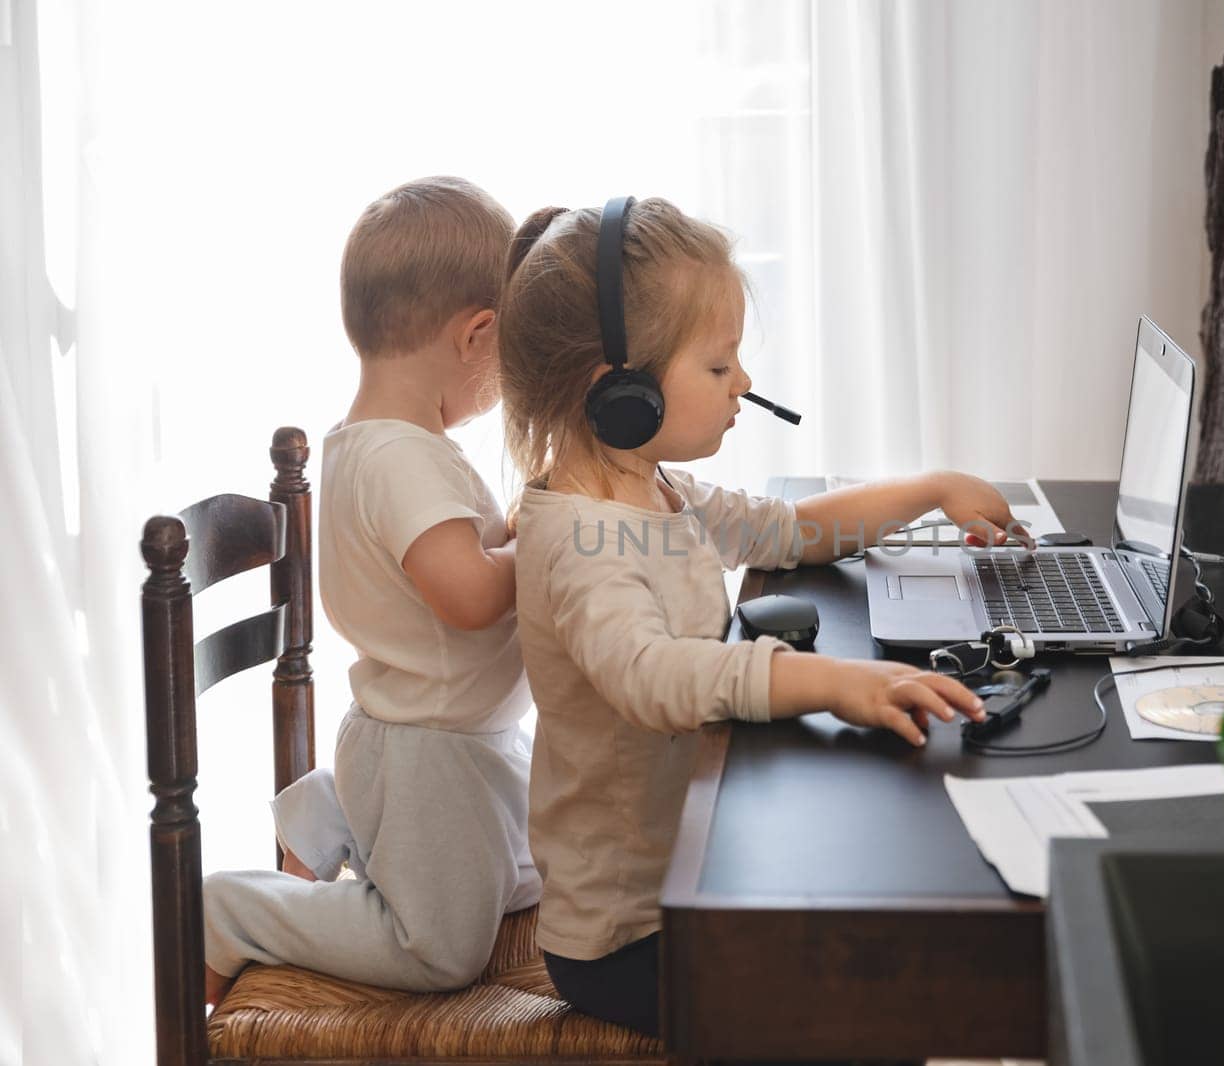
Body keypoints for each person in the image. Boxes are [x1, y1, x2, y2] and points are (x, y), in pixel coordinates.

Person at [500, 197, 1026, 1036]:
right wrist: (828, 681)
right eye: (718, 366)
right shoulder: (584, 541)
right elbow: (651, 677)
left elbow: (790, 529)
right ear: (622, 396)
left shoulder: (653, 488)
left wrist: (930, 489)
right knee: (873, 1008)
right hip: (626, 935)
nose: (742, 382)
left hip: (700, 865)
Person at [202, 177, 539, 1003]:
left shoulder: (380, 445)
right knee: (440, 952)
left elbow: (454, 564)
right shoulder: (401, 461)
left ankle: (338, 809)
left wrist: (518, 528)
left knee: (537, 876)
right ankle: (232, 911)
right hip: (432, 753)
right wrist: (547, 542)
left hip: (446, 736)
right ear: (477, 334)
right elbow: (468, 597)